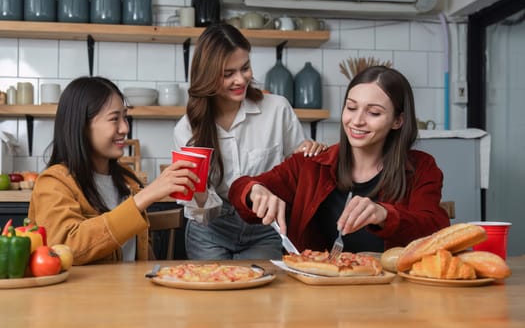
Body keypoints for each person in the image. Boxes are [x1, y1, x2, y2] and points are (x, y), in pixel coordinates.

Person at [229, 66, 451, 253]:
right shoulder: (310, 163)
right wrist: (254, 190)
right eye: (351, 107)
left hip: (391, 290)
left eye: (373, 113)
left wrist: (384, 215)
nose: (357, 121)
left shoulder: (421, 167)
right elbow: (239, 189)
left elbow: (433, 228)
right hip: (315, 290)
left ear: (397, 121)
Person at [173, 23, 326, 260]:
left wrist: (310, 154)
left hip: (264, 228)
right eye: (227, 74)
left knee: (260, 294)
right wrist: (197, 194)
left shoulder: (277, 109)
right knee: (212, 293)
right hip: (211, 231)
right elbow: (199, 210)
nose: (240, 79)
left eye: (245, 68)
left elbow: (295, 170)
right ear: (207, 76)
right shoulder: (187, 129)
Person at [28, 76, 199, 265]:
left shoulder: (128, 181)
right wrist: (143, 198)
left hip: (132, 292)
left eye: (124, 117)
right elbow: (63, 249)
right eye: (114, 119)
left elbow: (139, 252)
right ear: (82, 126)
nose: (125, 128)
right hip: (84, 295)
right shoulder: (54, 183)